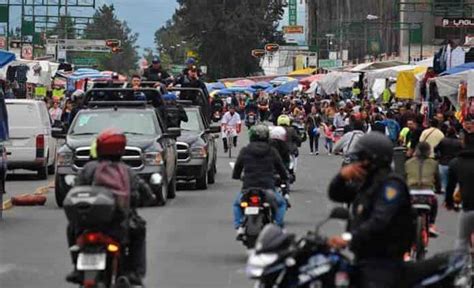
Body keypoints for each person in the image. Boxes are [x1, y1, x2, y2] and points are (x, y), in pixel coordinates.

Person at [66, 129, 155, 285]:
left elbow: (75, 190)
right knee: (139, 230)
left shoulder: (88, 169)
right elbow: (146, 193)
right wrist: (149, 198)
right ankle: (134, 273)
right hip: (117, 227)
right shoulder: (127, 171)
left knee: (71, 227)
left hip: (86, 227)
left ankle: (76, 268)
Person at [327, 132, 414, 288]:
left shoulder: (391, 185)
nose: (358, 162)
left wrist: (348, 238)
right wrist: (341, 177)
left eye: (361, 158)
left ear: (373, 160)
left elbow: (380, 220)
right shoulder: (368, 183)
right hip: (365, 258)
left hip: (384, 262)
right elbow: (337, 194)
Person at [232, 125, 288, 238]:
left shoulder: (245, 150)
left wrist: (236, 176)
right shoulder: (272, 151)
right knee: (282, 203)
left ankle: (239, 226)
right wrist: (284, 177)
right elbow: (281, 168)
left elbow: (238, 167)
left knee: (237, 205)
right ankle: (277, 226)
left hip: (248, 188)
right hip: (268, 188)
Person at [445, 131, 474, 252]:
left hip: (468, 206)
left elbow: (450, 187)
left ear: (463, 143)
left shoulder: (455, 163)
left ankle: (460, 267)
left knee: (461, 240)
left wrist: (449, 202)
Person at [405, 142, 441, 236]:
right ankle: (431, 224)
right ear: (429, 152)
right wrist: (439, 188)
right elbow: (437, 179)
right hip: (428, 193)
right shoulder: (434, 163)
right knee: (435, 203)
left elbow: (403, 178)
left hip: (411, 194)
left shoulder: (408, 163)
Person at [435, 126, 462, 194]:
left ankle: (444, 199)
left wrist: (439, 155)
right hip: (455, 164)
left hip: (443, 163)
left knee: (444, 183)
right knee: (454, 182)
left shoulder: (443, 141)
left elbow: (435, 149)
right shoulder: (459, 142)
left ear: (447, 133)